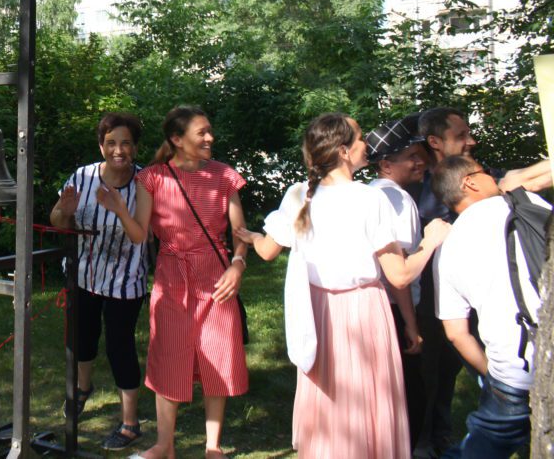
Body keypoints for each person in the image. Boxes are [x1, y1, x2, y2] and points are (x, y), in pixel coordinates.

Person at [235, 112, 450, 459]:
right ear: (344, 151)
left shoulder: (299, 195)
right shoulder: (370, 199)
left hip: (317, 314)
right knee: (368, 402)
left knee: (330, 402)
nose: (367, 144)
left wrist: (254, 236)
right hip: (364, 314)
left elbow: (269, 250)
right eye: (361, 137)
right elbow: (398, 275)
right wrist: (430, 241)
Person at [96, 106, 248, 459]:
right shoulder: (152, 178)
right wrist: (120, 210)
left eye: (210, 131)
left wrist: (237, 265)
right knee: (169, 356)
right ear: (177, 140)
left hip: (216, 275)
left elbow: (240, 232)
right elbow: (139, 235)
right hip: (172, 276)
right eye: (202, 133)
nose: (210, 138)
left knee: (217, 352)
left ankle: (213, 446)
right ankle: (165, 445)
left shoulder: (224, 176)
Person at [412, 106, 551, 456]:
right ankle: (425, 439)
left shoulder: (453, 239)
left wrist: (493, 375)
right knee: (432, 378)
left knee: (489, 425)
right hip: (430, 308)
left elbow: (457, 334)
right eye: (461, 135)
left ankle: (443, 436)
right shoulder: (416, 189)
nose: (472, 141)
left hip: (504, 356)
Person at [50, 112, 149, 451]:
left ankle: (131, 423)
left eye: (125, 143)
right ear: (101, 146)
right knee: (81, 338)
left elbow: (141, 235)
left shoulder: (145, 182)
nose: (118, 150)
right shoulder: (83, 176)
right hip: (83, 274)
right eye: (111, 143)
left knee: (120, 346)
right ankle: (82, 388)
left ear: (135, 147)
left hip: (126, 278)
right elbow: (57, 219)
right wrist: (64, 210)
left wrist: (120, 208)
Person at [365, 115, 429, 452]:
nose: (421, 162)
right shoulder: (398, 200)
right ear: (386, 164)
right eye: (412, 157)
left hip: (375, 306)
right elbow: (398, 271)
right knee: (410, 396)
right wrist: (410, 323)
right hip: (393, 307)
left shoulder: (370, 194)